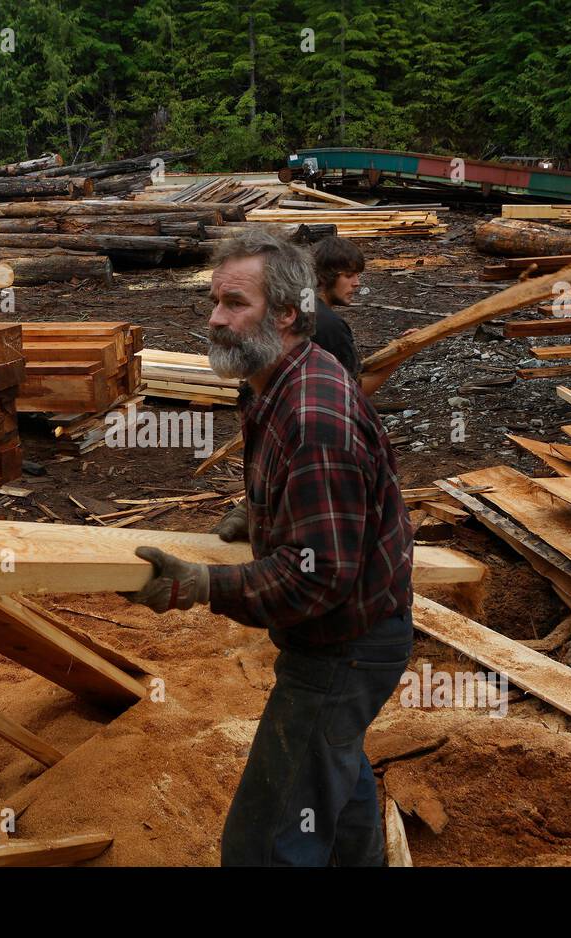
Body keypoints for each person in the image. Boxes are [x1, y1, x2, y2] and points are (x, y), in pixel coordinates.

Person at [126, 229, 415, 866]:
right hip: (357, 629)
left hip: (346, 645)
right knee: (334, 780)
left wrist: (202, 585)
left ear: (285, 314)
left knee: (264, 842)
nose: (215, 319)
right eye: (214, 301)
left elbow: (319, 579)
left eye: (234, 304)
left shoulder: (311, 415)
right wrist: (266, 517)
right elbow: (330, 526)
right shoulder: (275, 385)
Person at [309, 235, 365, 378]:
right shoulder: (329, 326)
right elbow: (353, 391)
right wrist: (402, 354)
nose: (356, 283)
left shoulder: (300, 303)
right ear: (324, 276)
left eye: (357, 275)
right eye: (348, 275)